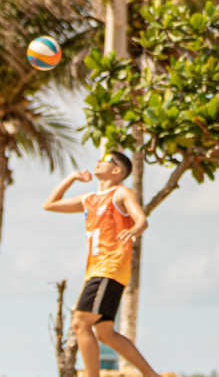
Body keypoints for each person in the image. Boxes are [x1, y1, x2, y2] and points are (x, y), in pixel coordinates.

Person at [42, 150, 160, 377]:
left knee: (79, 324)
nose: (98, 161)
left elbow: (142, 220)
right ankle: (151, 375)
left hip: (109, 268)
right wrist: (72, 178)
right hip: (96, 270)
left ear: (117, 171)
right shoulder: (89, 199)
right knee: (105, 333)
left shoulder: (121, 193)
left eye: (106, 160)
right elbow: (50, 204)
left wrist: (134, 230)